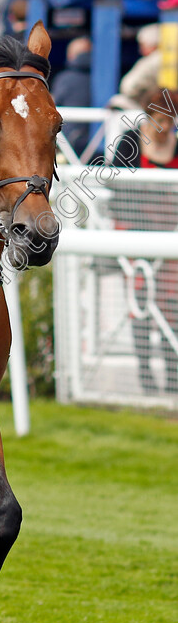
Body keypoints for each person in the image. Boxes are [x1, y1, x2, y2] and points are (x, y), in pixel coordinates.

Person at [109, 89, 178, 394]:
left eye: (170, 123)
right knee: (141, 304)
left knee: (173, 306)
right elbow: (115, 187)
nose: (164, 129)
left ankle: (173, 375)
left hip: (171, 237)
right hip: (135, 235)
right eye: (159, 121)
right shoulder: (129, 142)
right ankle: (146, 377)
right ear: (148, 118)